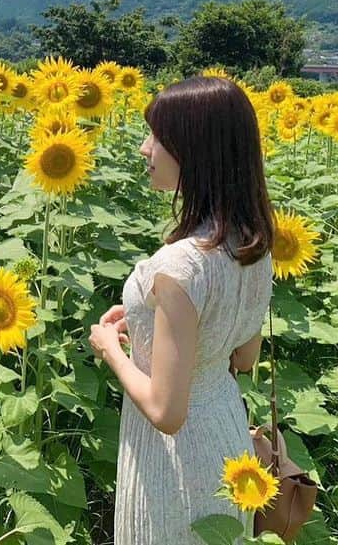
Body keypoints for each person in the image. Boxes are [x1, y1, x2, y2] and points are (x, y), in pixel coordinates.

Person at [88, 76, 274, 544]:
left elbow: (166, 411)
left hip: (175, 456)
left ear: (194, 150)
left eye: (157, 137)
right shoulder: (251, 244)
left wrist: (111, 347)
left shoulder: (179, 266)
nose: (144, 148)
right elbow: (243, 356)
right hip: (227, 437)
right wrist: (152, 324)